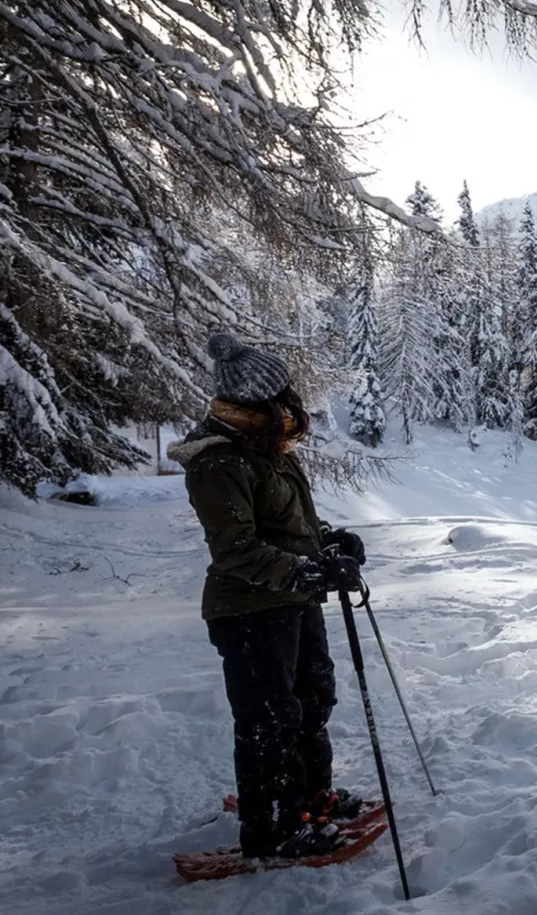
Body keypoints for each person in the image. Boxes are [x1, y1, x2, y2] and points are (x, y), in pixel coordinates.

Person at [169, 333, 370, 859]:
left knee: (313, 700)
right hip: (249, 610)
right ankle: (273, 829)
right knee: (268, 721)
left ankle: (310, 797)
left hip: (292, 601)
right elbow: (235, 550)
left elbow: (287, 525)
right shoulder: (219, 463)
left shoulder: (268, 450)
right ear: (259, 401)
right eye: (285, 393)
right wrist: (307, 573)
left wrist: (328, 542)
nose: (294, 402)